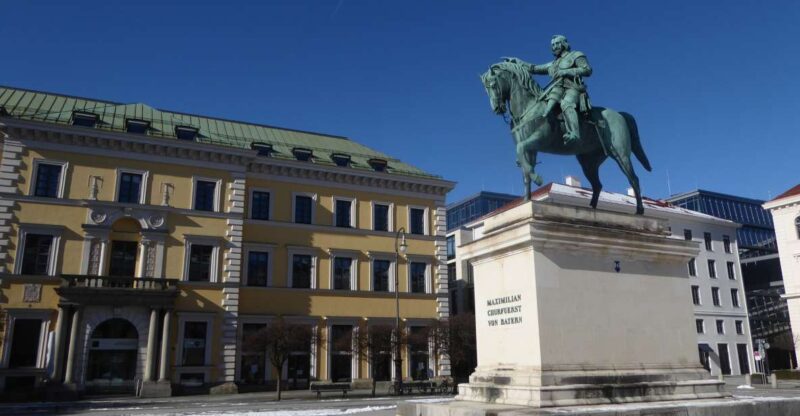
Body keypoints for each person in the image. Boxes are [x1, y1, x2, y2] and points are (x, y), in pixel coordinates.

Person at [506, 35, 592, 144]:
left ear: (564, 44)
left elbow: (587, 70)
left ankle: (574, 133)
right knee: (542, 105)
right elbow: (534, 68)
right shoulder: (553, 64)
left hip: (573, 88)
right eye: (553, 45)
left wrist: (566, 72)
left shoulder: (576, 55)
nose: (554, 47)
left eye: (557, 44)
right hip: (557, 89)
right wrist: (517, 61)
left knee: (566, 103)